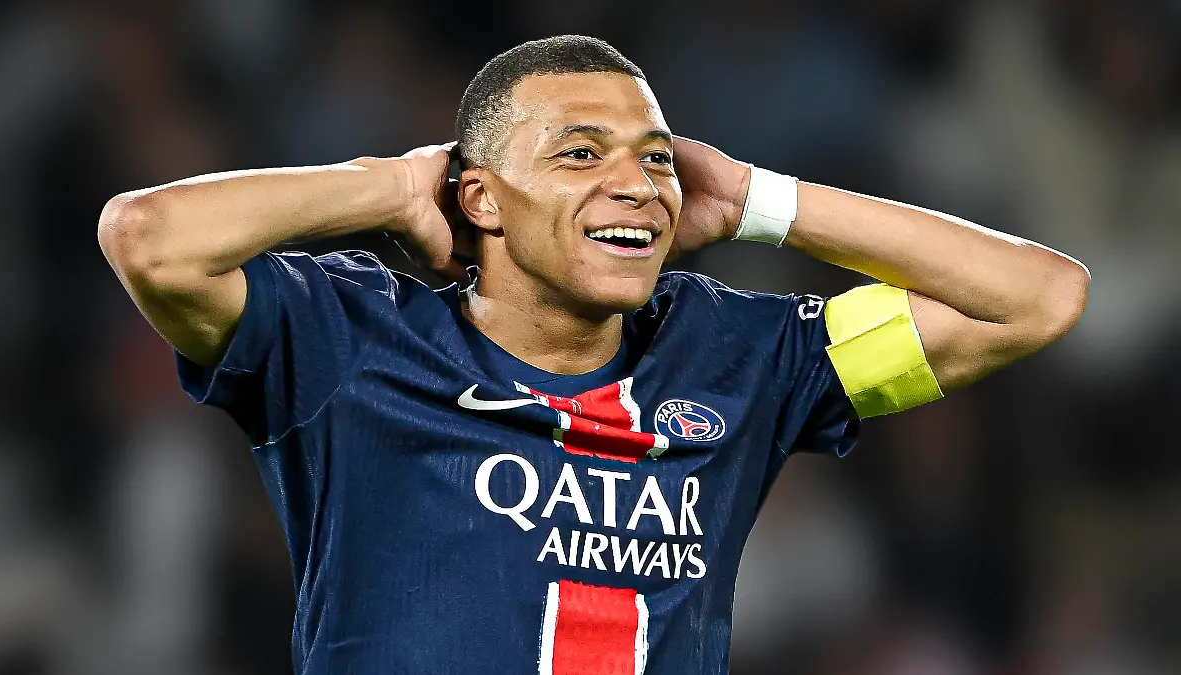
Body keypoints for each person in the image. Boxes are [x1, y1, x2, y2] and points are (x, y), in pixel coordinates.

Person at [97, 35, 1089, 675]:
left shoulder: (741, 360)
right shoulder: (350, 341)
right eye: (580, 154)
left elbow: (1036, 301)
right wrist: (388, 187)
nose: (636, 184)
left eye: (656, 158)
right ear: (480, 197)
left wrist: (756, 200)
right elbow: (149, 238)